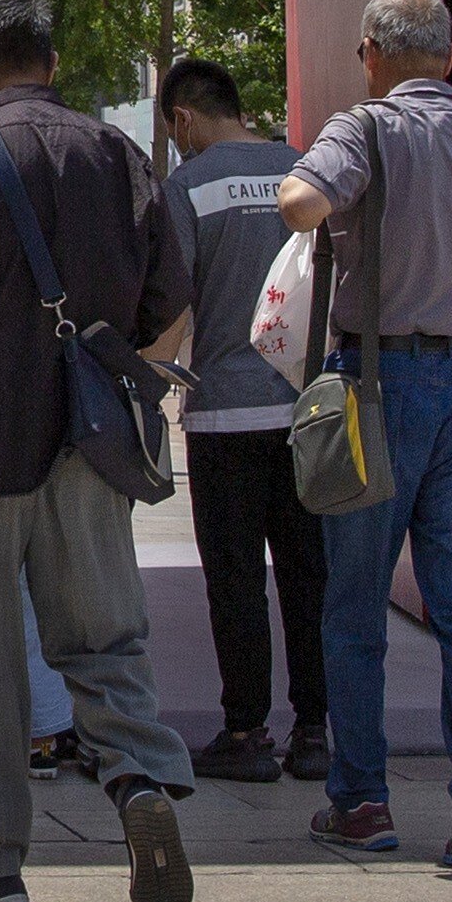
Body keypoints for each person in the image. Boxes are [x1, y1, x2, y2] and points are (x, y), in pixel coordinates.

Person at [0, 0, 195, 902]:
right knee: (107, 634)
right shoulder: (116, 153)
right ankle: (137, 774)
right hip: (92, 445)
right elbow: (169, 309)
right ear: (52, 62)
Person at [277, 0, 452, 872]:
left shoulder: (364, 127)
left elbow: (300, 202)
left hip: (379, 387)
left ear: (370, 51)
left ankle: (363, 799)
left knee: (355, 605)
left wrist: (334, 214)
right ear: (449, 59)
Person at [157, 59, 329, 786]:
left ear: (183, 119)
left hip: (224, 415)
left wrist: (143, 384)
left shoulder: (190, 185)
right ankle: (316, 730)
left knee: (235, 580)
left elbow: (172, 302)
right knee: (307, 575)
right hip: (306, 413)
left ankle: (247, 731)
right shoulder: (305, 166)